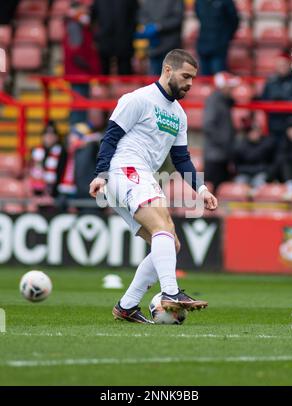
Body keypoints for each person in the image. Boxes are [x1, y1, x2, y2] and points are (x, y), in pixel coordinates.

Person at [89, 49, 218, 324]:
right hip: (125, 170)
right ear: (168, 70)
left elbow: (182, 159)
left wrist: (202, 190)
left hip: (140, 174)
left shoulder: (180, 116)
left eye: (193, 78)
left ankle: (127, 305)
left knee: (172, 244)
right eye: (185, 76)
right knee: (163, 230)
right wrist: (101, 174)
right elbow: (110, 137)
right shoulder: (137, 99)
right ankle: (171, 293)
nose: (190, 83)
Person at [203, 71, 239, 191]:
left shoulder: (222, 101)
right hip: (216, 155)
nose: (232, 90)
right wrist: (225, 142)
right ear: (222, 87)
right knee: (215, 188)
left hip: (221, 153)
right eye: (229, 87)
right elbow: (209, 126)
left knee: (221, 187)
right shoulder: (214, 101)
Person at [136, 0, 184, 75]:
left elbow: (177, 18)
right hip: (154, 46)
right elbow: (142, 15)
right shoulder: (148, 2)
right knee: (154, 79)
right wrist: (148, 26)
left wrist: (159, 26)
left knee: (172, 79)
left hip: (171, 47)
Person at [260, 53, 292, 143]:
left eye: (284, 64)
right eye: (279, 65)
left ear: (289, 64)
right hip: (273, 123)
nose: (282, 67)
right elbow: (264, 100)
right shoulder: (270, 81)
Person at [91, 0, 138, 75]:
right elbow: (93, 17)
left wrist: (130, 33)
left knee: (125, 72)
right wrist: (97, 36)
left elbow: (135, 15)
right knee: (104, 73)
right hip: (104, 40)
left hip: (124, 40)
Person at [194, 0, 239, 76]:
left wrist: (226, 37)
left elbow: (233, 20)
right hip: (203, 45)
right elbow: (199, 17)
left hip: (219, 47)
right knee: (205, 80)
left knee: (219, 79)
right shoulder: (200, 2)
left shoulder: (226, 2)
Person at [30, 121, 67, 198]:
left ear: (57, 137)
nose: (49, 136)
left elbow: (62, 173)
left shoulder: (62, 152)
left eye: (52, 133)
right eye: (46, 133)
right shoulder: (35, 151)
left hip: (56, 192)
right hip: (37, 191)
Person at [233, 123, 276, 188]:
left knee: (260, 183)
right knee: (239, 183)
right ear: (248, 134)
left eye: (257, 132)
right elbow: (237, 166)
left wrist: (267, 171)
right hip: (245, 173)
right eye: (252, 132)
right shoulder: (241, 145)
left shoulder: (268, 144)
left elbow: (272, 163)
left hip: (261, 173)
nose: (254, 134)